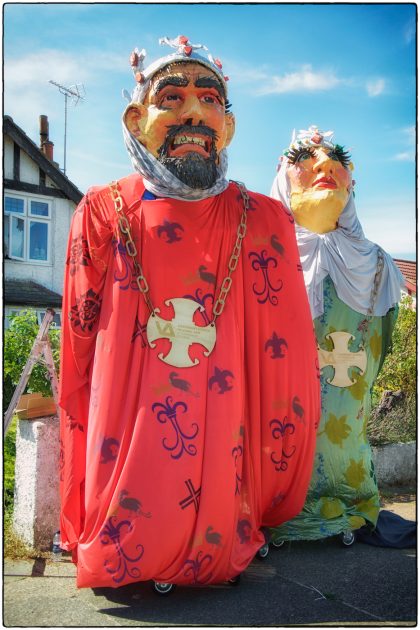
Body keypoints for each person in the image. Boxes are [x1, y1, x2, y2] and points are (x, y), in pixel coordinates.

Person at [59, 36, 320, 591]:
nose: (194, 113)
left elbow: (288, 342)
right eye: (171, 98)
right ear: (135, 119)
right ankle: (127, 551)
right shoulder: (104, 211)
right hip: (128, 401)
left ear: (228, 126)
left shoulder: (263, 218)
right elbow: (80, 335)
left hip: (224, 406)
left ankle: (213, 546)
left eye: (210, 100)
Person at [270, 125, 404, 545]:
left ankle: (351, 499)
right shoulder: (263, 255)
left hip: (347, 401)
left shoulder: (377, 263)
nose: (324, 165)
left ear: (353, 180)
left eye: (337, 158)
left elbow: (383, 338)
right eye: (303, 159)